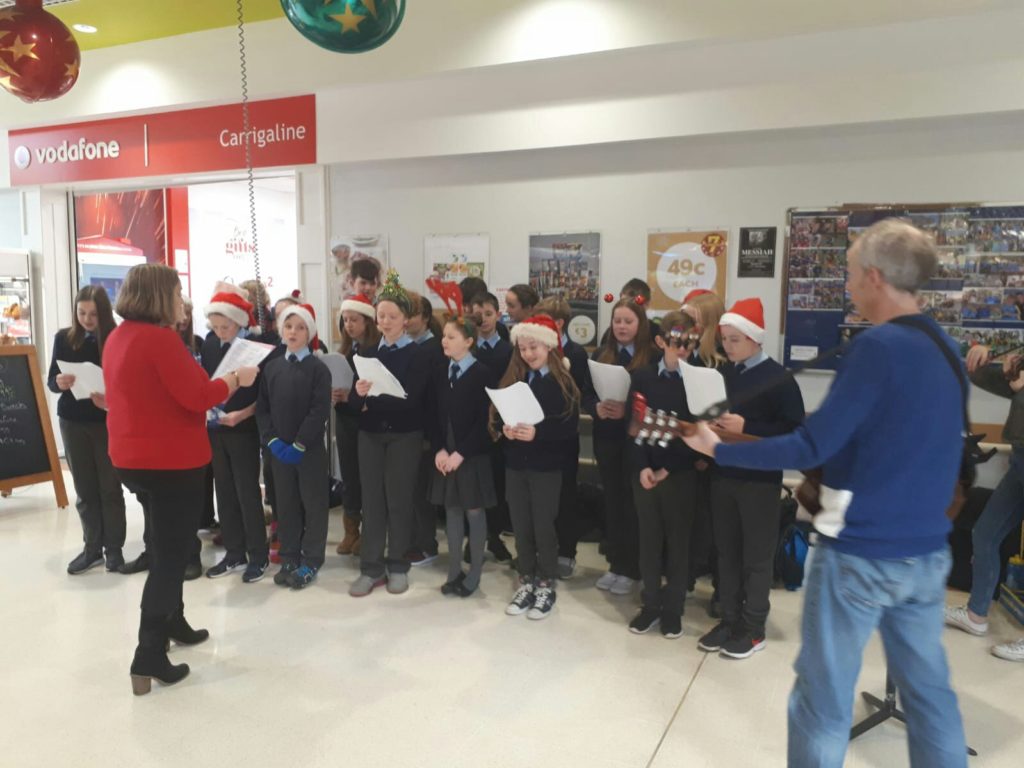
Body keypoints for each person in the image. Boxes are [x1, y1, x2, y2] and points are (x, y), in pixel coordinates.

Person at [682, 219, 968, 767]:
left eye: (854, 272)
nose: (849, 283)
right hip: (928, 554)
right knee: (932, 700)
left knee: (822, 703)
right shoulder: (944, 345)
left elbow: (810, 445)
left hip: (861, 555)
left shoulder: (877, 347)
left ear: (876, 278)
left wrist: (720, 450)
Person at [103, 263, 257, 695]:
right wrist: (235, 378)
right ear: (159, 296)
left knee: (162, 539)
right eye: (175, 293)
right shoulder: (160, 340)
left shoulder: (119, 336)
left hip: (132, 458)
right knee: (170, 558)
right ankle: (148, 653)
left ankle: (173, 620)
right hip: (170, 463)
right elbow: (199, 396)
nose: (180, 301)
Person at [696, 298, 804, 659]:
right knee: (725, 552)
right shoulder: (724, 375)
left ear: (755, 339)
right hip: (724, 474)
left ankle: (753, 627)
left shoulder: (779, 378)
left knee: (756, 557)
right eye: (724, 339)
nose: (727, 346)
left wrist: (748, 427)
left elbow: (794, 432)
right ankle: (728, 618)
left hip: (759, 480)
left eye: (734, 339)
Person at [347, 270, 431, 597]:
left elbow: (414, 402)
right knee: (372, 501)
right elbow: (356, 405)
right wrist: (359, 394)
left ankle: (397, 564)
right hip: (369, 436)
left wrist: (374, 403)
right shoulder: (366, 353)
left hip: (404, 435)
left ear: (406, 319)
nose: (385, 321)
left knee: (398, 500)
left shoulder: (420, 354)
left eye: (392, 316)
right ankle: (370, 567)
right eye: (381, 315)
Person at [494, 314, 580, 620]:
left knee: (544, 525)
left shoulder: (562, 382)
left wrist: (538, 433)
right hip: (516, 465)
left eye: (535, 347)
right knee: (521, 524)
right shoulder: (515, 379)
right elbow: (501, 415)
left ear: (549, 346)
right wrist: (505, 429)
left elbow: (568, 428)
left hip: (547, 468)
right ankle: (526, 579)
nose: (529, 353)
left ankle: (546, 582)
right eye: (523, 348)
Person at [944, 344, 1024, 661]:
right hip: (1019, 459)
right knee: (985, 533)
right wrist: (979, 361)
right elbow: (1006, 384)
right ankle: (977, 615)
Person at [627, 310, 699, 639]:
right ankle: (651, 604)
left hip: (679, 474)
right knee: (649, 540)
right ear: (661, 341)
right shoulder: (643, 377)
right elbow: (636, 424)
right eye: (676, 342)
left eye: (688, 343)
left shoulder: (700, 379)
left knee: (679, 543)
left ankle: (673, 608)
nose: (682, 349)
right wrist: (643, 466)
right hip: (646, 472)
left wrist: (667, 468)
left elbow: (698, 433)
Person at [47, 285, 127, 574]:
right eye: (81, 312)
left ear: (104, 313)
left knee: (109, 486)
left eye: (93, 313)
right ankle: (92, 547)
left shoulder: (116, 338)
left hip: (107, 421)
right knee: (84, 488)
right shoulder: (63, 338)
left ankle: (114, 549)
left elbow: (128, 383)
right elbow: (50, 381)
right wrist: (60, 382)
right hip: (72, 420)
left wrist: (111, 399)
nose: (87, 319)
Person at [587, 297, 659, 595]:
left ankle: (634, 568)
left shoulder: (652, 357)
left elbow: (658, 402)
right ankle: (616, 564)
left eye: (628, 321)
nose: (621, 326)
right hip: (607, 440)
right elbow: (587, 393)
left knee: (635, 508)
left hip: (638, 444)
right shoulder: (604, 353)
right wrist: (597, 408)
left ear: (640, 324)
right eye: (617, 321)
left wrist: (626, 412)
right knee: (613, 505)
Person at [257, 303, 332, 589]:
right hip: (279, 451)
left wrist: (300, 443)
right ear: (281, 330)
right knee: (285, 504)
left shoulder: (318, 370)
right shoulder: (273, 367)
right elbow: (263, 408)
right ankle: (289, 554)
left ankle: (311, 558)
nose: (293, 332)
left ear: (309, 333)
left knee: (313, 504)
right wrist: (272, 440)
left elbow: (319, 410)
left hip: (308, 451)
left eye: (300, 328)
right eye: (288, 326)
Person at [200, 283, 271, 583]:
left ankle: (258, 554)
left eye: (225, 326)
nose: (220, 332)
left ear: (239, 322)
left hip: (244, 427)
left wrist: (242, 414)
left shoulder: (258, 348)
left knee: (247, 491)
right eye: (215, 326)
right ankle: (234, 552)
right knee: (224, 490)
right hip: (216, 427)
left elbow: (266, 395)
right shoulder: (209, 344)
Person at [431, 315, 497, 597]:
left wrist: (461, 453)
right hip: (447, 452)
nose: (444, 341)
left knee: (473, 510)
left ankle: (475, 574)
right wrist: (440, 449)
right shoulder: (441, 371)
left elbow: (485, 423)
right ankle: (454, 569)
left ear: (469, 342)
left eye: (452, 337)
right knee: (452, 511)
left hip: (472, 455)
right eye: (444, 336)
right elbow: (433, 415)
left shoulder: (483, 373)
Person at [536, 295, 591, 579]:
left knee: (565, 496)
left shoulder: (576, 354)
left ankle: (566, 551)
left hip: (563, 437)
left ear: (558, 324)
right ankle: (541, 550)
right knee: (541, 500)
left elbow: (575, 397)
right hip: (536, 438)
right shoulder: (531, 353)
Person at [468, 290, 516, 563]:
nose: (483, 320)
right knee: (474, 482)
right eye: (478, 315)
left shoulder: (508, 349)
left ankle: (494, 535)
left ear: (498, 315)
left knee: (496, 483)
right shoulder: (469, 347)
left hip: (499, 424)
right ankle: (474, 537)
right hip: (472, 423)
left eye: (488, 314)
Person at [332, 293, 380, 556]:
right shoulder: (345, 352)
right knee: (349, 476)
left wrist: (352, 396)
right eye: (346, 320)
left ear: (367, 322)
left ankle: (370, 532)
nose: (349, 325)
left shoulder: (376, 351)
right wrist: (335, 394)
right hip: (346, 420)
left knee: (368, 478)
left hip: (367, 421)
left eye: (354, 319)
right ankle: (351, 531)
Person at [406, 291, 445, 566]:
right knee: (408, 489)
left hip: (426, 430)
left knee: (421, 491)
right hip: (408, 429)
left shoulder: (434, 349)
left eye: (411, 315)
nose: (406, 321)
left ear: (426, 318)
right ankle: (413, 541)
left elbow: (433, 397)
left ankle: (426, 545)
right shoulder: (408, 346)